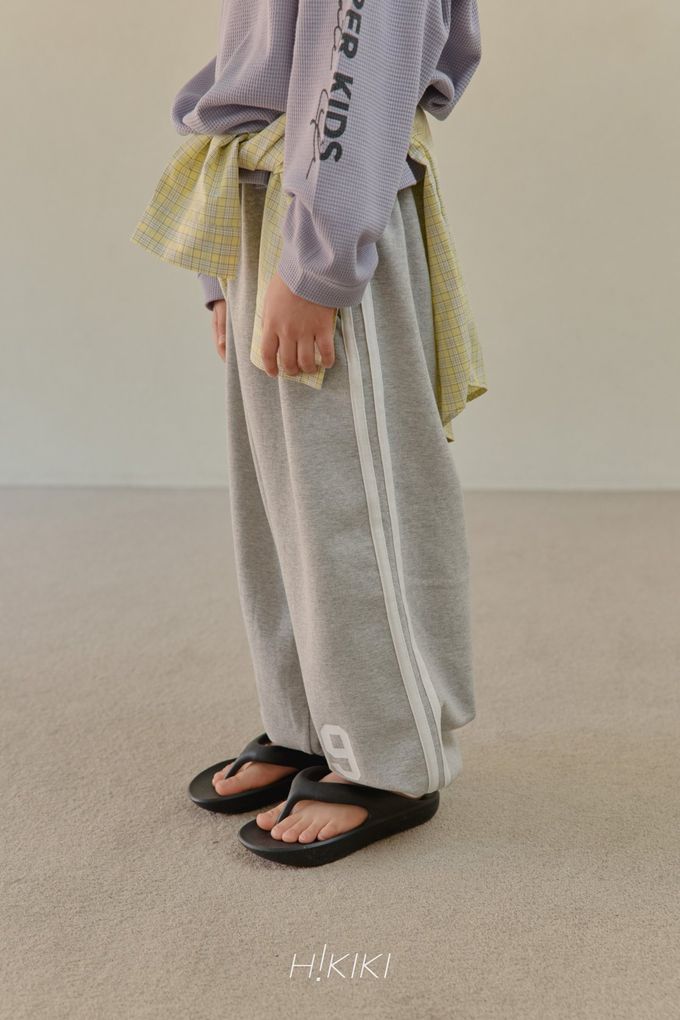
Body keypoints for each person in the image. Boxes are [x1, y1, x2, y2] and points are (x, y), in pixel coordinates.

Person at [132, 0, 486, 866]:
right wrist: (226, 267)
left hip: (324, 209)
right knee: (281, 506)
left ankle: (388, 755)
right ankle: (313, 724)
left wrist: (317, 266)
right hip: (271, 200)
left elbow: (357, 66)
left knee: (349, 501)